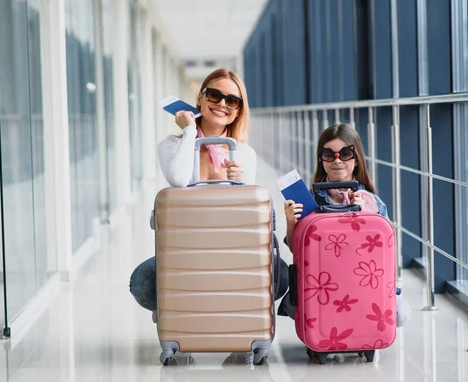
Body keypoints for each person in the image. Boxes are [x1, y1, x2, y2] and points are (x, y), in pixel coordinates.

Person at [129, 68, 289, 321]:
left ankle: (228, 315)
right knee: (141, 282)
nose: (222, 104)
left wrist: (243, 184)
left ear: (238, 111)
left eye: (232, 100)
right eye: (214, 95)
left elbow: (248, 217)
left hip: (232, 248)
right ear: (200, 99)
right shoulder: (172, 145)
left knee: (280, 275)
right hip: (187, 248)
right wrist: (190, 131)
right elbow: (179, 180)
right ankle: (184, 310)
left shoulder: (244, 154)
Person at [277, 124, 410, 326]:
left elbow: (386, 254)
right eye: (329, 155)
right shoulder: (308, 202)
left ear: (356, 160)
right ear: (321, 160)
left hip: (361, 282)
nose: (337, 160)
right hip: (323, 283)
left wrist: (365, 217)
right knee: (296, 308)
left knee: (400, 314)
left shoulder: (372, 203)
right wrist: (291, 222)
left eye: (345, 153)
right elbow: (297, 252)